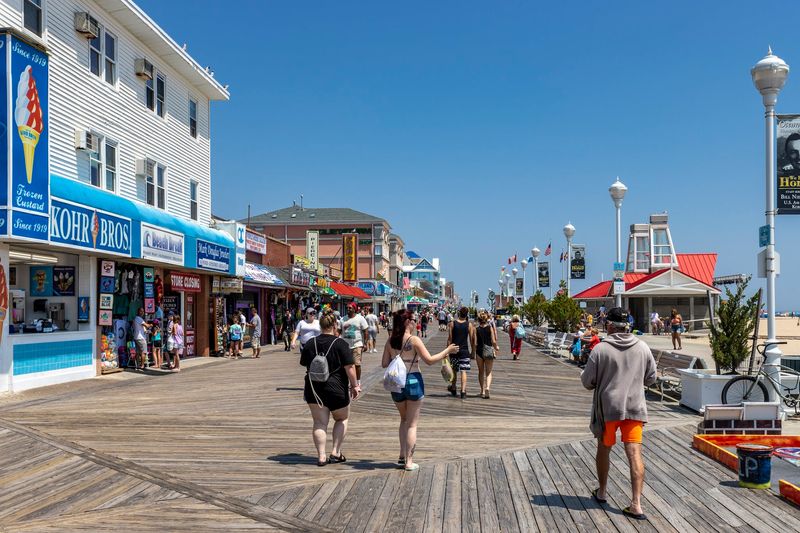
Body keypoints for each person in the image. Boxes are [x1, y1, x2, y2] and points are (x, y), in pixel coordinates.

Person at [581, 307, 657, 521]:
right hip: (635, 408)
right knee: (634, 453)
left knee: (604, 449)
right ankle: (636, 504)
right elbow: (651, 378)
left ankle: (602, 492)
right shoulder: (642, 347)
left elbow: (588, 382)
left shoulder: (600, 350)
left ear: (610, 326)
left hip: (608, 410)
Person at [382, 310, 458, 471]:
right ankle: (409, 462)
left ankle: (402, 456)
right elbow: (429, 360)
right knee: (412, 424)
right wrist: (447, 351)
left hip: (397, 383)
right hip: (414, 380)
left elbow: (384, 363)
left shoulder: (390, 341)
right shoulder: (414, 340)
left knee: (403, 420)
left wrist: (398, 359)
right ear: (407, 322)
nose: (415, 322)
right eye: (413, 319)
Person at [300, 309, 359, 467]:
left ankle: (321, 457)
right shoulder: (341, 344)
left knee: (319, 423)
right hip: (337, 388)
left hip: (314, 389)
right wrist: (355, 386)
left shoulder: (310, 343)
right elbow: (350, 367)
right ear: (335, 325)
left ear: (320, 325)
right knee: (341, 418)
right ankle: (335, 451)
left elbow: (305, 363)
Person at [447, 307, 476, 398]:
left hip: (454, 350)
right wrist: (473, 352)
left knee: (454, 371)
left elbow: (449, 339)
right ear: (467, 314)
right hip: (464, 351)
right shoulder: (469, 325)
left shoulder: (452, 324)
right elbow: (472, 340)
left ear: (459, 313)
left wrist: (446, 351)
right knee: (463, 371)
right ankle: (463, 391)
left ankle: (454, 388)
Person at [341, 303, 369, 385]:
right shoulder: (343, 319)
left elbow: (365, 331)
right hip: (345, 346)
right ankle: (349, 381)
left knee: (357, 364)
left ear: (354, 309)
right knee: (346, 365)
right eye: (347, 308)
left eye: (350, 308)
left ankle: (358, 381)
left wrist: (365, 343)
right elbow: (339, 331)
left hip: (357, 344)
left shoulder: (360, 318)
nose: (348, 309)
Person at [475, 311, 499, 399]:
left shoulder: (476, 329)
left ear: (479, 319)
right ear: (486, 319)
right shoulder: (490, 328)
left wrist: (473, 352)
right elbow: (493, 341)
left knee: (481, 372)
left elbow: (475, 343)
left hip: (479, 352)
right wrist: (496, 348)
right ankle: (487, 388)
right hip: (488, 351)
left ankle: (482, 390)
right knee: (488, 372)